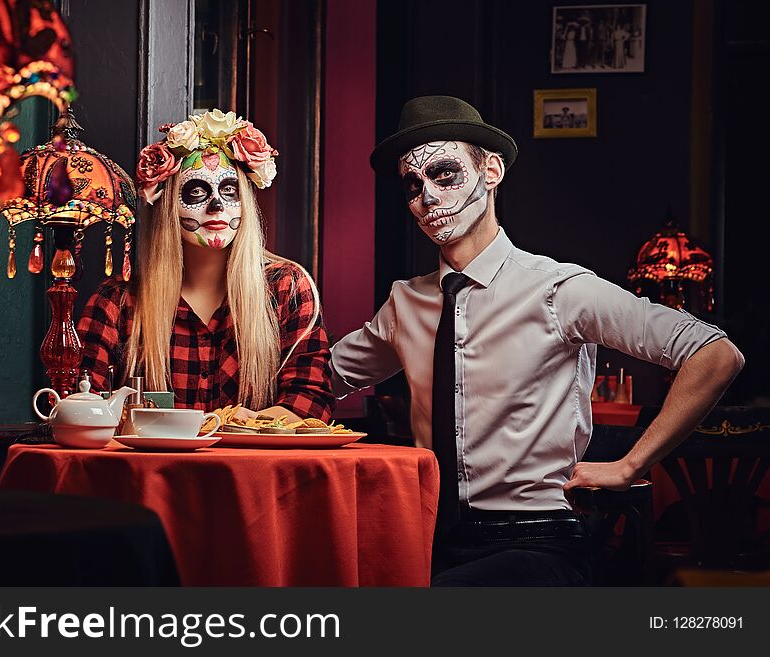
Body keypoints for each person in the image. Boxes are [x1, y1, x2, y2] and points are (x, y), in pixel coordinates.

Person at [329, 96, 744, 586]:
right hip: (427, 536)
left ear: (491, 171)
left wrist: (631, 465)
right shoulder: (406, 303)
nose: (428, 198)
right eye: (413, 185)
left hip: (539, 544)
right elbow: (315, 379)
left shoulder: (560, 289)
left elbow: (715, 354)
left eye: (444, 174)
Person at [78, 109, 335, 424]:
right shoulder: (118, 301)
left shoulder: (287, 287)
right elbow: (82, 406)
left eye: (229, 190)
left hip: (251, 472)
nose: (217, 205)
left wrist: (238, 424)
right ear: (169, 202)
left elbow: (310, 403)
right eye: (197, 191)